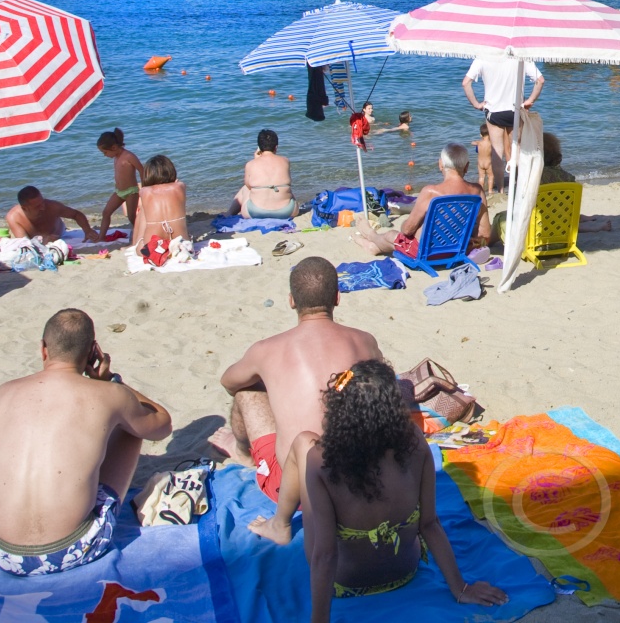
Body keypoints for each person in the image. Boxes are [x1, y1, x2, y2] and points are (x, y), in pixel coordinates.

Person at [296, 359, 507, 615]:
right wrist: (460, 588)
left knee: (302, 445)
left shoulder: (321, 460)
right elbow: (429, 524)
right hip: (404, 570)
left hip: (345, 582)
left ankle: (280, 522)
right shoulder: (415, 442)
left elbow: (325, 555)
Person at [0, 308, 173, 576]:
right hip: (72, 549)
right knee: (132, 427)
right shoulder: (111, 394)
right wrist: (114, 383)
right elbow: (161, 425)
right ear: (93, 351)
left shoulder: (5, 392)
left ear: (44, 349)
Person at [214, 257, 387, 545]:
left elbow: (229, 381)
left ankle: (244, 452)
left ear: (291, 301)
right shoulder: (365, 341)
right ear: (337, 298)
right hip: (359, 481)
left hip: (297, 489)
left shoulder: (266, 349)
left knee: (247, 390)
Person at [352, 143, 486, 259]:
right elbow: (485, 234)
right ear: (467, 166)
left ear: (440, 164)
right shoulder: (477, 191)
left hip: (426, 252)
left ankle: (370, 235)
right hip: (457, 250)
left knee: (391, 235)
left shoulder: (431, 192)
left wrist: (405, 223)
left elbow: (407, 230)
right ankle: (374, 247)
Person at [463, 55, 543, 174]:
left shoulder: (482, 57)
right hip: (515, 110)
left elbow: (466, 83)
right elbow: (540, 80)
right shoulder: (521, 56)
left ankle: (500, 188)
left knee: (497, 152)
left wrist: (476, 104)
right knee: (517, 149)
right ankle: (517, 182)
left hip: (494, 112)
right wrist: (529, 101)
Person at [232, 129, 297, 218]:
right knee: (286, 189)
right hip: (287, 212)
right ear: (276, 147)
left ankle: (229, 213)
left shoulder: (250, 164)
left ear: (259, 147)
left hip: (255, 212)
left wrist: (256, 160)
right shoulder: (285, 161)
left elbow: (248, 187)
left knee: (245, 189)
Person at [133, 155, 187, 257]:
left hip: (152, 249)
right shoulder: (180, 187)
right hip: (182, 246)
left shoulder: (144, 192)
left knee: (144, 210)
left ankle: (135, 243)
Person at [5, 186, 91, 244]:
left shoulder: (52, 206)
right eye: (37, 206)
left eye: (42, 202)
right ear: (24, 208)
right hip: (38, 242)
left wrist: (87, 231)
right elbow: (24, 244)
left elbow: (76, 214)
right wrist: (44, 241)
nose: (42, 207)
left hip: (62, 235)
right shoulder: (14, 217)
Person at [96, 129, 143, 235]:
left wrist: (144, 186)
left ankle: (140, 233)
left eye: (105, 152)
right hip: (119, 192)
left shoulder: (129, 156)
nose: (105, 155)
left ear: (114, 147)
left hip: (131, 191)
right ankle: (101, 238)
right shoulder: (116, 156)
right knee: (106, 212)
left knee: (131, 216)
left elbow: (141, 169)